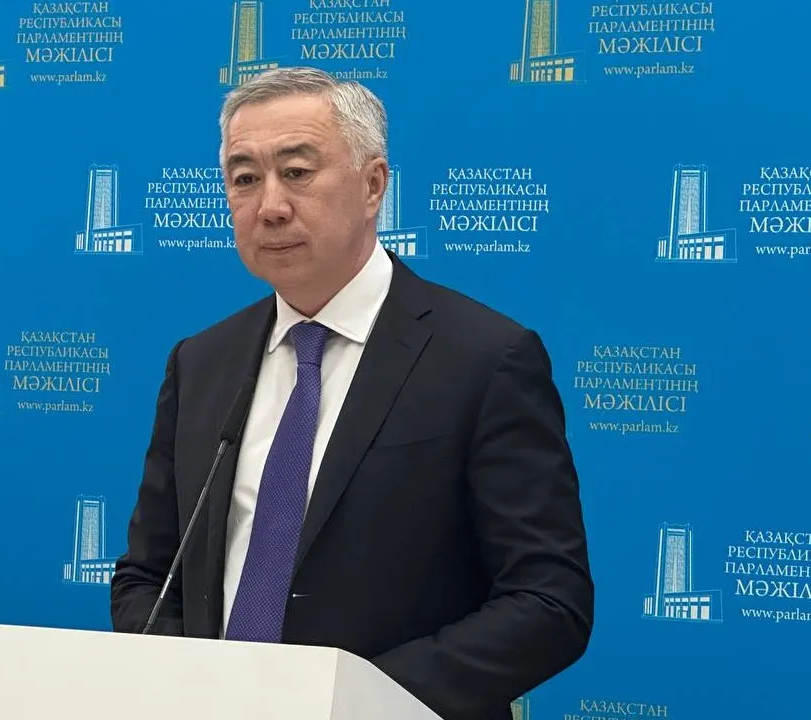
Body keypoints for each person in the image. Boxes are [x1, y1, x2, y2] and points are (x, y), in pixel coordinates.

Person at [110, 67, 593, 720]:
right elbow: (146, 575)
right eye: (245, 178)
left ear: (373, 186)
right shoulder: (201, 361)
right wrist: (195, 688)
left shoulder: (484, 359)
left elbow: (549, 601)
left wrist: (356, 701)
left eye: (297, 172)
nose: (270, 205)